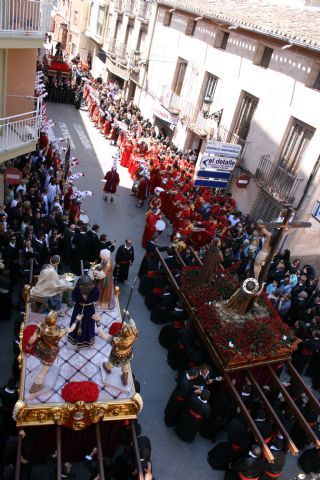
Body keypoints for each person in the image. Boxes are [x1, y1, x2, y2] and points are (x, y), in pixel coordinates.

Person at [27, 310, 79, 393]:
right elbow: (71, 329)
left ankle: (41, 368)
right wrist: (77, 320)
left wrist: (29, 345)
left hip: (39, 349)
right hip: (50, 354)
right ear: (55, 321)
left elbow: (33, 338)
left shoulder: (40, 326)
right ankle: (35, 386)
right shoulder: (59, 331)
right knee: (43, 371)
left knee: (42, 363)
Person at [99, 318, 138, 386]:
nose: (125, 324)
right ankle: (125, 379)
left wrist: (97, 321)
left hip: (117, 356)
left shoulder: (117, 340)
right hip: (127, 354)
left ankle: (108, 369)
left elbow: (102, 335)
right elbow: (133, 325)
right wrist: (128, 315)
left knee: (110, 363)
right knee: (126, 365)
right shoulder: (134, 335)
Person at [67, 275, 100, 349]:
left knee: (76, 323)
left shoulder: (76, 289)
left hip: (78, 309)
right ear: (90, 282)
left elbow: (73, 298)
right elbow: (96, 298)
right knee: (88, 325)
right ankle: (87, 341)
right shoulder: (96, 289)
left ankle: (75, 340)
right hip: (89, 309)